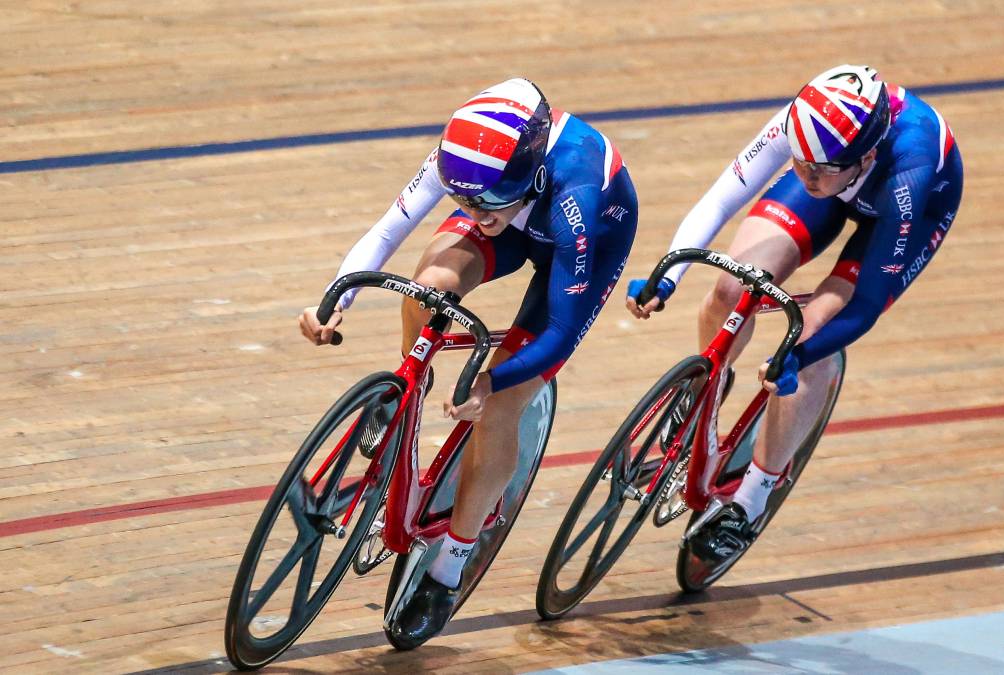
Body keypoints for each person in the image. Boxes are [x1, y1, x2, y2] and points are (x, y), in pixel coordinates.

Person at [298, 78, 638, 644]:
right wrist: (335, 299)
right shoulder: (467, 158)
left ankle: (449, 566)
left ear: (527, 173)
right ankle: (407, 393)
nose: (475, 213)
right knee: (426, 285)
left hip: (582, 244)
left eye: (487, 201)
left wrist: (491, 379)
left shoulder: (576, 196)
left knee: (502, 404)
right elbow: (389, 229)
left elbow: (558, 329)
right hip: (522, 215)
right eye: (464, 201)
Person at [626, 65, 963, 563]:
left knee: (813, 337)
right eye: (801, 163)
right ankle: (704, 397)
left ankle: (751, 501)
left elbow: (866, 304)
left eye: (820, 168)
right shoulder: (805, 126)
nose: (806, 176)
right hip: (840, 185)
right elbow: (723, 197)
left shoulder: (907, 173)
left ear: (866, 154)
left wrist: (799, 352)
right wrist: (669, 274)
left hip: (909, 210)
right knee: (729, 285)